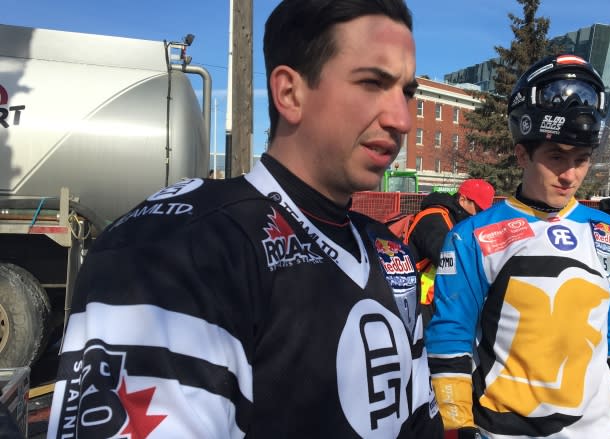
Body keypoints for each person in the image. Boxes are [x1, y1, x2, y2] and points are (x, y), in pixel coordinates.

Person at [47, 1, 444, 437]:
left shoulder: (391, 255)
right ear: (289, 93)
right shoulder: (183, 248)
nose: (401, 119)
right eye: (372, 83)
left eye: (406, 92)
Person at [425, 54, 610, 439]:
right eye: (556, 157)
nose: (570, 175)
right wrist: (455, 423)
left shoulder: (609, 233)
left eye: (582, 159)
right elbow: (451, 336)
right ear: (522, 154)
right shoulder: (471, 236)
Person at [406, 179, 494, 326]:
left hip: (440, 297)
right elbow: (446, 261)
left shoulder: (460, 220)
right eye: (478, 210)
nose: (480, 215)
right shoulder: (434, 219)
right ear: (462, 199)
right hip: (422, 300)